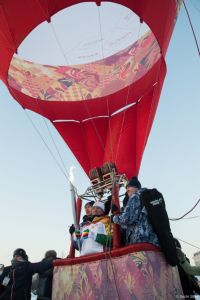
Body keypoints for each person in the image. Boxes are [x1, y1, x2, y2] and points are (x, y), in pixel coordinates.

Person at [112, 177, 160, 247]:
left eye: (130, 187)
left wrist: (114, 218)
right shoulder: (146, 198)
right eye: (126, 188)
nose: (127, 190)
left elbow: (127, 219)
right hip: (151, 240)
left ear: (137, 188)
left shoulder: (135, 196)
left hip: (139, 240)